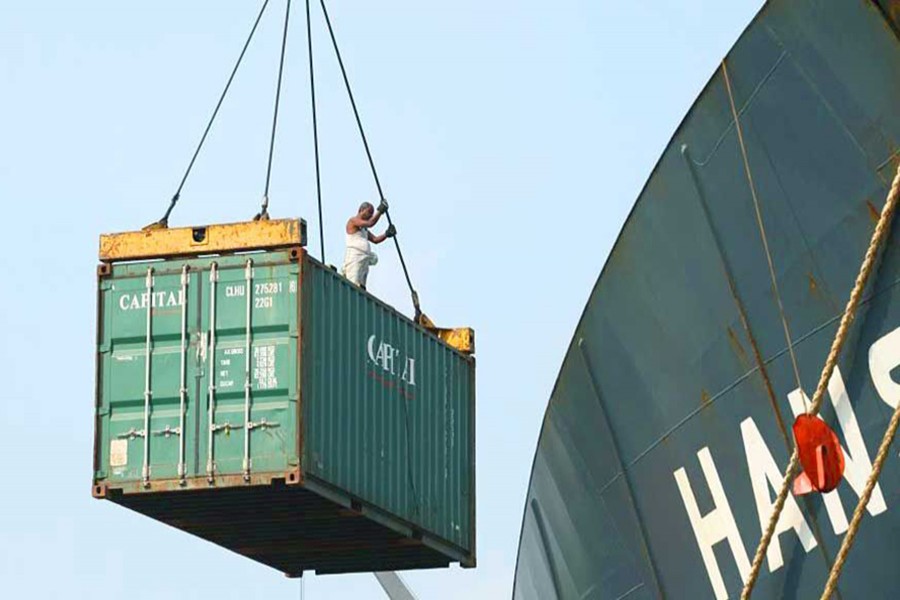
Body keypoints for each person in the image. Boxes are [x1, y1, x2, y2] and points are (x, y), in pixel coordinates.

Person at [342, 199, 396, 289]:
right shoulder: (353, 221)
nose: (370, 215)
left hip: (364, 259)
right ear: (361, 210)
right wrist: (380, 211)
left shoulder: (364, 229)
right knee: (353, 282)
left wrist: (387, 234)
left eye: (372, 213)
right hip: (355, 257)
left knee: (361, 286)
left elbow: (375, 240)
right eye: (369, 212)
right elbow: (370, 223)